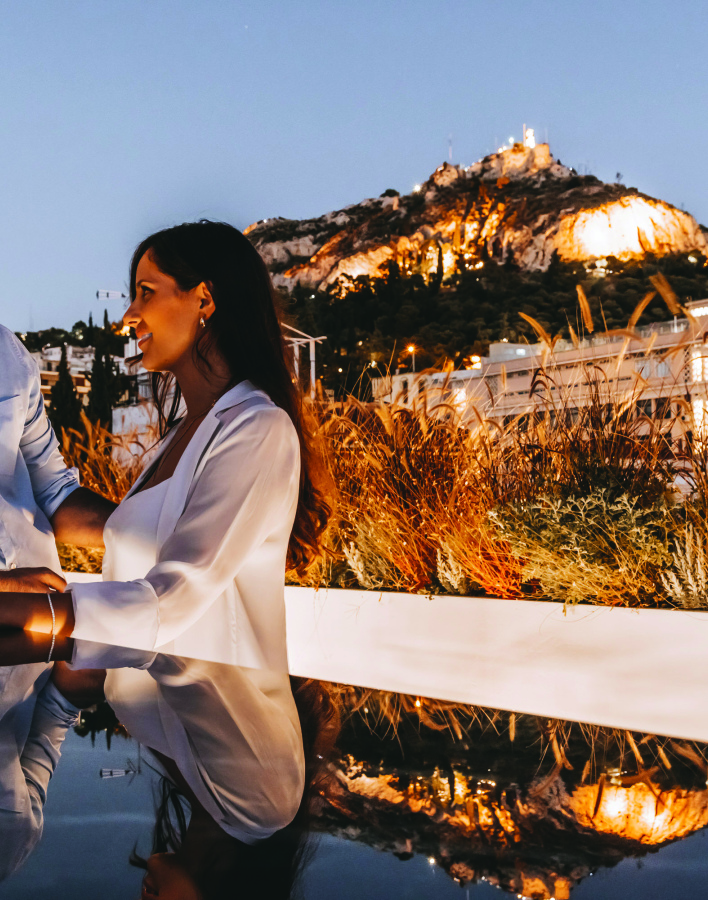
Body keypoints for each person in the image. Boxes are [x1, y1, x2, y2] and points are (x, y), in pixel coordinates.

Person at [0, 220, 333, 841]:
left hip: (199, 679)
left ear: (204, 300)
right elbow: (118, 529)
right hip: (136, 677)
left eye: (146, 291)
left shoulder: (255, 429)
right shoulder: (177, 440)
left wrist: (37, 616)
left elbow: (172, 593)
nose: (128, 314)